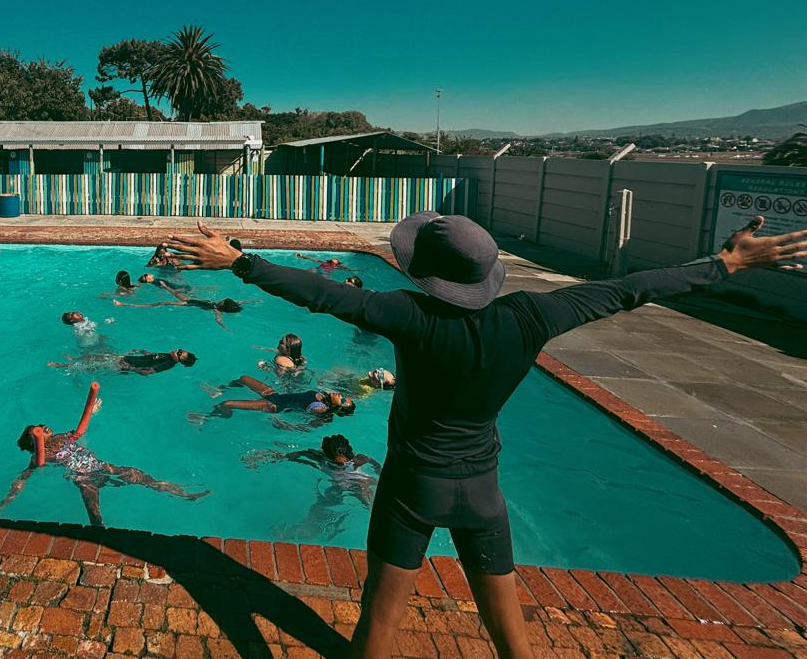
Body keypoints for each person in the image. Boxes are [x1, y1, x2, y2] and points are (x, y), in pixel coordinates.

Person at [166, 216, 807, 659]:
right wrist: (723, 264)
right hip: (484, 495)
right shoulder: (532, 315)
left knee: (378, 628)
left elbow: (321, 295)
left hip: (413, 488)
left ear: (429, 274)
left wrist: (240, 261)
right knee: (512, 639)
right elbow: (628, 291)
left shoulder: (408, 315)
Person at [0, 383, 209, 527]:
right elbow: (24, 478)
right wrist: (4, 503)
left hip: (102, 467)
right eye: (37, 431)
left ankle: (184, 494)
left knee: (141, 476)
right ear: (34, 440)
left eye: (40, 425)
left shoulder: (61, 437)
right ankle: (102, 538)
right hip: (83, 479)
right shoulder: (37, 457)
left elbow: (79, 431)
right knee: (94, 512)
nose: (43, 427)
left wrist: (91, 411)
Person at [247, 435, 383, 542]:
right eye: (337, 464)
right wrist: (267, 457)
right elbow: (293, 455)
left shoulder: (359, 459)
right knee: (319, 507)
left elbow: (379, 469)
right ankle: (302, 532)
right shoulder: (318, 457)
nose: (342, 466)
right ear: (327, 456)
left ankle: (379, 525)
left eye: (345, 462)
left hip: (360, 483)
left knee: (364, 494)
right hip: (336, 487)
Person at [195, 375, 354, 426]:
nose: (340, 397)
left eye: (342, 401)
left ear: (336, 407)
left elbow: (309, 424)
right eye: (344, 398)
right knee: (244, 378)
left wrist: (284, 425)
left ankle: (207, 418)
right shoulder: (325, 395)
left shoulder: (321, 408)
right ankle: (220, 390)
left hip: (273, 405)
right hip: (275, 395)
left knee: (226, 404)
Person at [111, 282, 246, 329]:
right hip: (191, 300)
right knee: (174, 292)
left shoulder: (217, 310)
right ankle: (165, 286)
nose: (221, 299)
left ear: (223, 305)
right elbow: (238, 303)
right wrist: (248, 301)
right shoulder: (218, 304)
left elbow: (218, 319)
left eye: (223, 301)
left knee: (161, 303)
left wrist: (224, 327)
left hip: (189, 304)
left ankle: (125, 305)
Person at [49, 348, 198, 375]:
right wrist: (143, 351)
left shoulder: (168, 364)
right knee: (95, 358)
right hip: (126, 359)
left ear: (179, 360)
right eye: (180, 349)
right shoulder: (167, 356)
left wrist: (130, 368)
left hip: (125, 364)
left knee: (94, 363)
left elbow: (147, 373)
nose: (177, 350)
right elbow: (153, 357)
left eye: (179, 353)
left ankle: (63, 366)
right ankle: (73, 362)